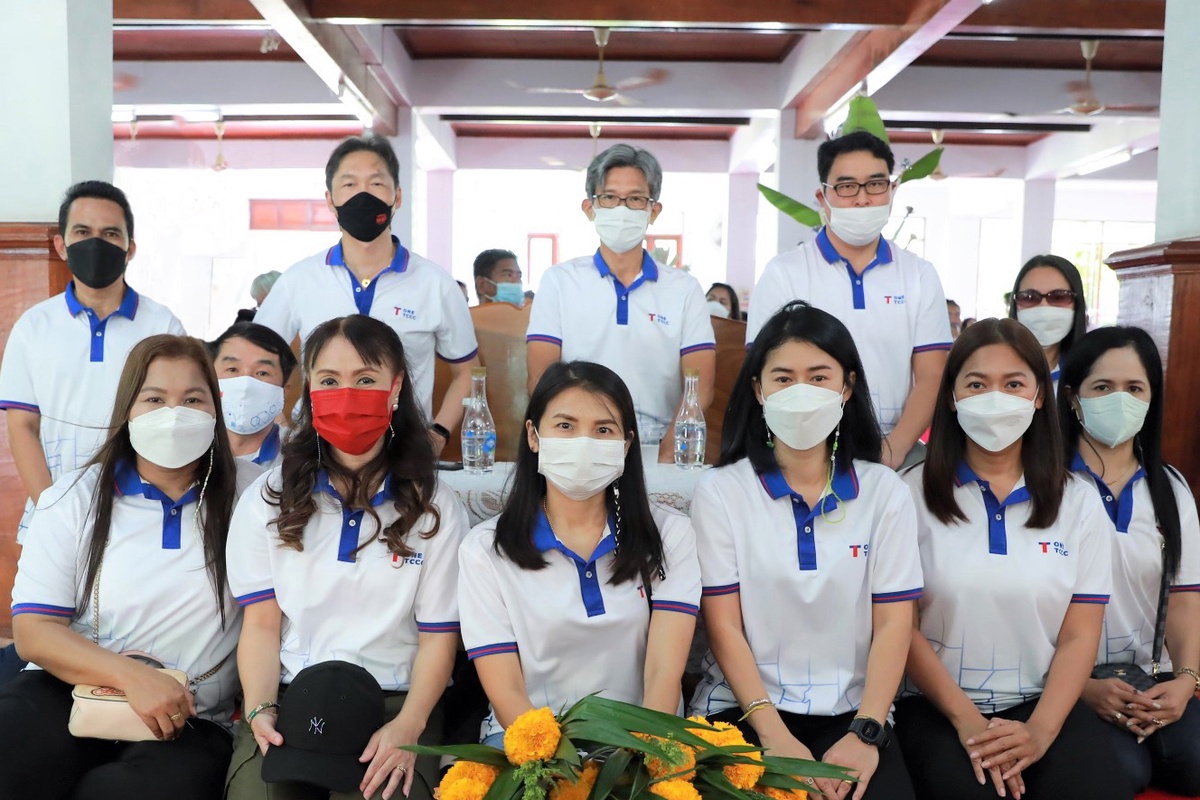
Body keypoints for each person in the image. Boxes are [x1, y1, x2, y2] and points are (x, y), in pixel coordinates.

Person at [225, 315, 468, 800]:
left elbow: (439, 638)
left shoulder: (435, 507)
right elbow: (261, 625)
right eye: (330, 381)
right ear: (310, 389)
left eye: (365, 380)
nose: (346, 394)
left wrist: (409, 725)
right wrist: (260, 709)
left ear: (395, 387)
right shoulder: (268, 498)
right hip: (292, 694)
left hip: (394, 701)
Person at [689, 301, 921, 800]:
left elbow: (895, 623)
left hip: (858, 712)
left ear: (847, 387)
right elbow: (724, 626)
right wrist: (774, 738)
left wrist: (867, 733)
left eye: (819, 377)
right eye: (783, 378)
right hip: (746, 709)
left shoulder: (884, 491)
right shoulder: (722, 492)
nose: (801, 393)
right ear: (758, 389)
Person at [0, 334, 243, 800]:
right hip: (69, 692)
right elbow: (32, 630)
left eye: (192, 399)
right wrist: (132, 677)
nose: (174, 415)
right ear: (126, 410)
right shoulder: (72, 497)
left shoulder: (254, 497)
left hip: (190, 717)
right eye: (154, 399)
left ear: (216, 409)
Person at [894, 318, 1128, 800]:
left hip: (1041, 702)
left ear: (1040, 395)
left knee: (1100, 782)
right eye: (976, 384)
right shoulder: (908, 496)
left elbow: (1081, 633)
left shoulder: (1078, 501)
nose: (994, 398)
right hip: (940, 708)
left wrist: (1040, 731)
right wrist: (969, 722)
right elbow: (903, 629)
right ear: (953, 396)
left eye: (1014, 383)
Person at [459, 360, 700, 745]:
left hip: (644, 736)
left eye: (603, 430)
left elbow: (662, 674)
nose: (583, 443)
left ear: (626, 445)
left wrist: (641, 756)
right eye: (565, 426)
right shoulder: (485, 550)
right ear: (534, 436)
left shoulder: (669, 534)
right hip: (530, 738)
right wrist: (562, 768)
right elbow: (506, 691)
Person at [254, 134, 480, 457]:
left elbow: (469, 371)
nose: (362, 194)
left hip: (404, 449)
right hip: (316, 449)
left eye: (376, 183)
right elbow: (255, 359)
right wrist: (281, 425)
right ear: (330, 200)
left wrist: (439, 432)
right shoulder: (298, 280)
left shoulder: (436, 283)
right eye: (349, 184)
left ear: (397, 196)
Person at [746, 131, 952, 469]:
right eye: (846, 186)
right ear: (822, 197)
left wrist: (895, 449)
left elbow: (932, 375)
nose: (862, 199)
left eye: (874, 184)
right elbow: (765, 373)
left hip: (893, 452)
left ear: (892, 189)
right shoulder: (784, 273)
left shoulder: (918, 275)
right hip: (802, 450)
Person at [0, 180, 185, 543]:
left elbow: (174, 422)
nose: (96, 243)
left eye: (110, 233)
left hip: (140, 511)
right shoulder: (33, 327)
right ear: (61, 245)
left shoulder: (163, 325)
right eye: (83, 232)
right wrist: (51, 508)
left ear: (130, 248)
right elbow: (22, 427)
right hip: (53, 511)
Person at [1059, 326, 1200, 796]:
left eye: (1134, 388)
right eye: (1102, 387)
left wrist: (1185, 680)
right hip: (1057, 681)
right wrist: (1080, 687)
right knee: (1117, 774)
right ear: (1073, 397)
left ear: (1150, 399)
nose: (1119, 399)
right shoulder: (1043, 484)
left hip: (1149, 679)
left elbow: (1183, 599)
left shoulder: (1170, 488)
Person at [526, 144, 716, 462]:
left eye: (636, 198)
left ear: (653, 211)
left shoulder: (684, 288)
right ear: (590, 208)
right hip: (581, 434)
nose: (622, 208)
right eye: (610, 197)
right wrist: (571, 437)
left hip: (659, 437)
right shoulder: (559, 281)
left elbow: (701, 387)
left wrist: (669, 450)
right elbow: (541, 378)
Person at [208, 321, 297, 475]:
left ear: (283, 391)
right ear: (210, 378)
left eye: (262, 373)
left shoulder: (300, 457)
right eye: (232, 369)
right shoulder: (186, 450)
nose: (246, 385)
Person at [1007, 254, 1088, 390]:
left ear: (1077, 304)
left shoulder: (1089, 374)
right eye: (1029, 297)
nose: (1043, 307)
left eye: (1059, 297)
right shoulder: (989, 367)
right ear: (1015, 304)